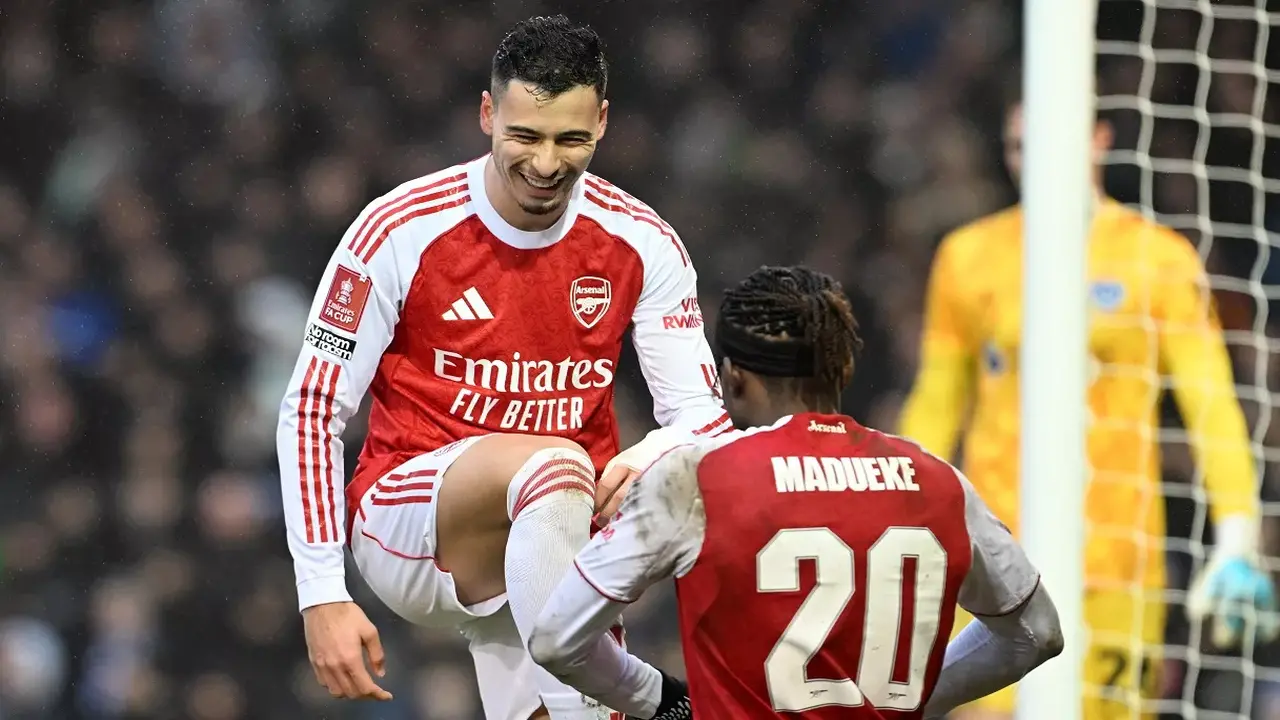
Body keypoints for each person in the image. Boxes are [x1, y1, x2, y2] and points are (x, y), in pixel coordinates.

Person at [276, 15, 729, 720]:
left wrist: (653, 452)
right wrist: (321, 594)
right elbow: (312, 408)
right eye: (525, 135)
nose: (546, 164)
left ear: (602, 123)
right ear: (487, 114)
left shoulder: (642, 242)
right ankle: (651, 696)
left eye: (570, 139)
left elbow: (705, 422)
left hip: (555, 541)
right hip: (413, 524)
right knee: (557, 463)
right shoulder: (398, 230)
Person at [526, 265, 1064, 718]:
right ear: (844, 368)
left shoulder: (695, 478)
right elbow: (1036, 634)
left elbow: (555, 640)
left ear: (732, 377)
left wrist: (664, 701)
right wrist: (912, 698)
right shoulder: (940, 482)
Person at [899, 92, 1279, 720]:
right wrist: (897, 515)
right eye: (1019, 147)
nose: (1032, 160)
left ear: (1099, 140)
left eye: (1049, 142)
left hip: (1119, 563)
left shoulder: (1157, 257)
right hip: (996, 562)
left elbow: (1210, 402)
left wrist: (1237, 534)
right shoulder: (968, 258)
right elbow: (936, 405)